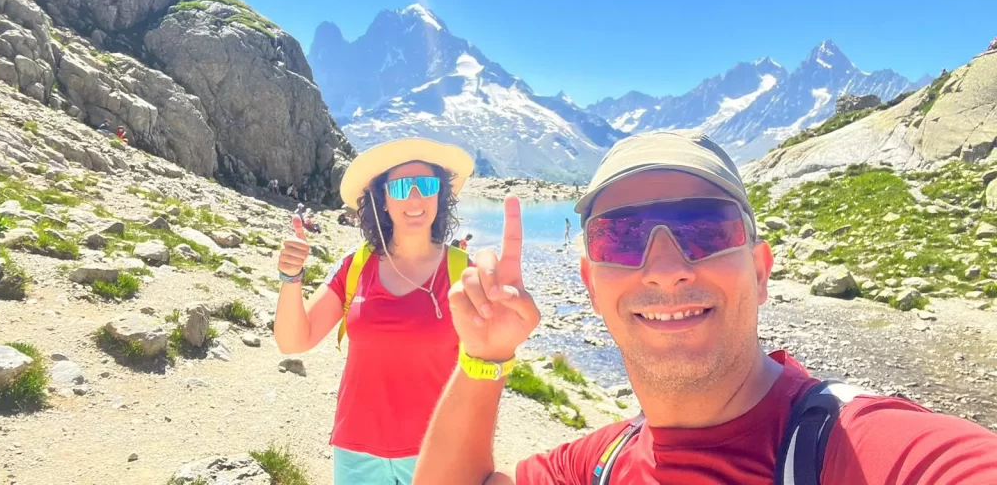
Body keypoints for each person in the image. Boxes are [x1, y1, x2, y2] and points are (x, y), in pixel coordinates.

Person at [412, 131, 997, 485]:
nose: (665, 268)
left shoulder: (860, 451)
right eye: (621, 236)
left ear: (760, 270)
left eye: (704, 228)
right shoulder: (601, 463)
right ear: (591, 283)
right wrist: (483, 357)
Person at [275, 137, 476, 485]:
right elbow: (295, 340)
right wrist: (291, 277)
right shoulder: (357, 265)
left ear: (439, 196)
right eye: (400, 187)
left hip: (437, 453)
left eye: (426, 185)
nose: (414, 198)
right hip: (357, 453)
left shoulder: (463, 272)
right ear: (382, 200)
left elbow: (483, 370)